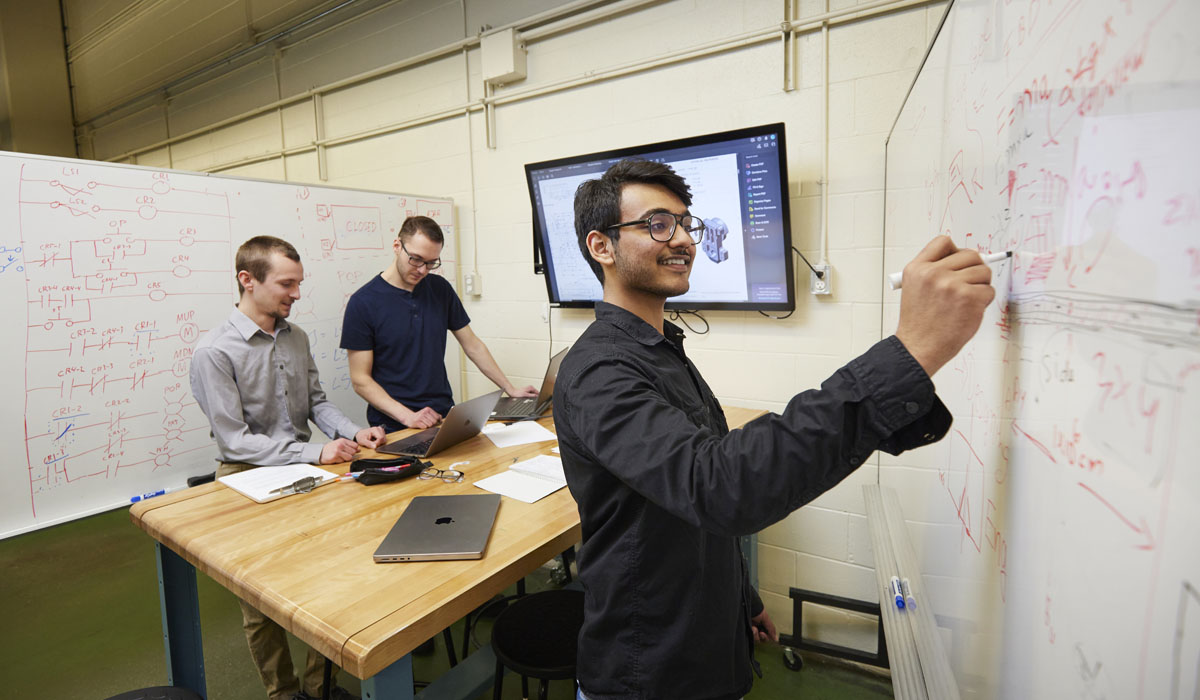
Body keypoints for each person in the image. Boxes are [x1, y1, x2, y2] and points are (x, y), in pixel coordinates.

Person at [555, 159, 995, 700]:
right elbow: (718, 486)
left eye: (685, 222)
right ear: (602, 247)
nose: (685, 240)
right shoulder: (600, 370)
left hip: (705, 643)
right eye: (658, 224)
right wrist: (910, 353)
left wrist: (743, 599)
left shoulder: (661, 349)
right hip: (649, 672)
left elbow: (689, 512)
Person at [190, 235, 385, 700]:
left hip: (305, 473)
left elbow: (317, 402)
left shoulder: (295, 337)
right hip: (245, 477)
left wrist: (353, 432)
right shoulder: (214, 352)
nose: (296, 294)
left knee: (326, 580)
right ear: (247, 280)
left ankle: (320, 689)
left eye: (298, 283)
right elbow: (235, 439)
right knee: (260, 604)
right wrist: (316, 453)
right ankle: (283, 694)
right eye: (286, 284)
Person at [340, 215, 537, 433]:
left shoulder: (439, 289)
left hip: (442, 416)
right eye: (416, 259)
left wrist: (509, 388)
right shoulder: (363, 303)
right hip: (395, 426)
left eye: (431, 263)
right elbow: (360, 379)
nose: (422, 270)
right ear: (397, 246)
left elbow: (472, 345)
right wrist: (409, 417)